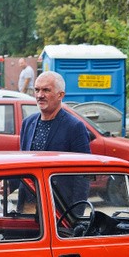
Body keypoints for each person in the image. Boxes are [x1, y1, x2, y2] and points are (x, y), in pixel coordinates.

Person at [18, 71, 91, 210]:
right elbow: (23, 166)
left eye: (46, 90)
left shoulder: (74, 127)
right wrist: (8, 185)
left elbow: (84, 174)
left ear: (60, 95)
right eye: (37, 90)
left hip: (58, 209)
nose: (40, 95)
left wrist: (76, 215)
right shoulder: (28, 123)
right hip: (28, 206)